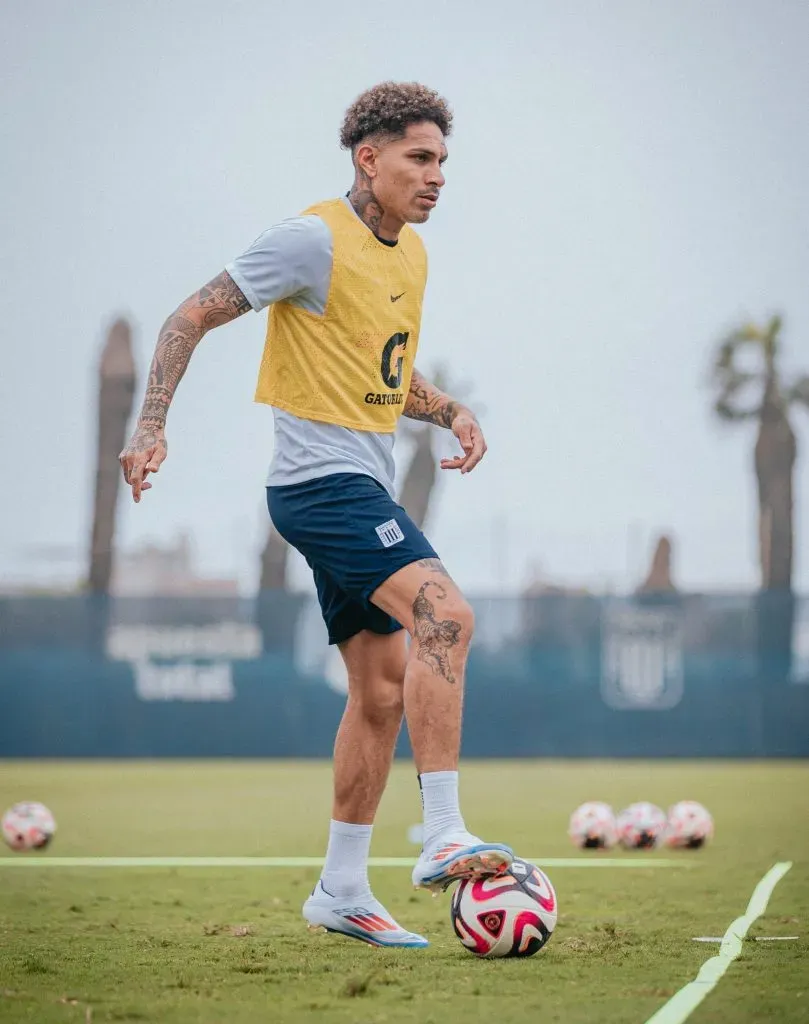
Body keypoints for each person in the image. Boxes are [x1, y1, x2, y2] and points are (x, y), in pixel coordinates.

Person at [119, 81, 513, 949]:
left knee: (379, 691)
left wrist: (449, 410)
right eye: (419, 158)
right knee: (444, 614)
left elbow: (382, 376)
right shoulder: (310, 238)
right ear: (368, 159)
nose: (436, 176)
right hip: (320, 487)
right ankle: (442, 831)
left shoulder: (409, 255)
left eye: (442, 161)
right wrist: (150, 425)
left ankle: (340, 889)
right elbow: (188, 316)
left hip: (358, 486)